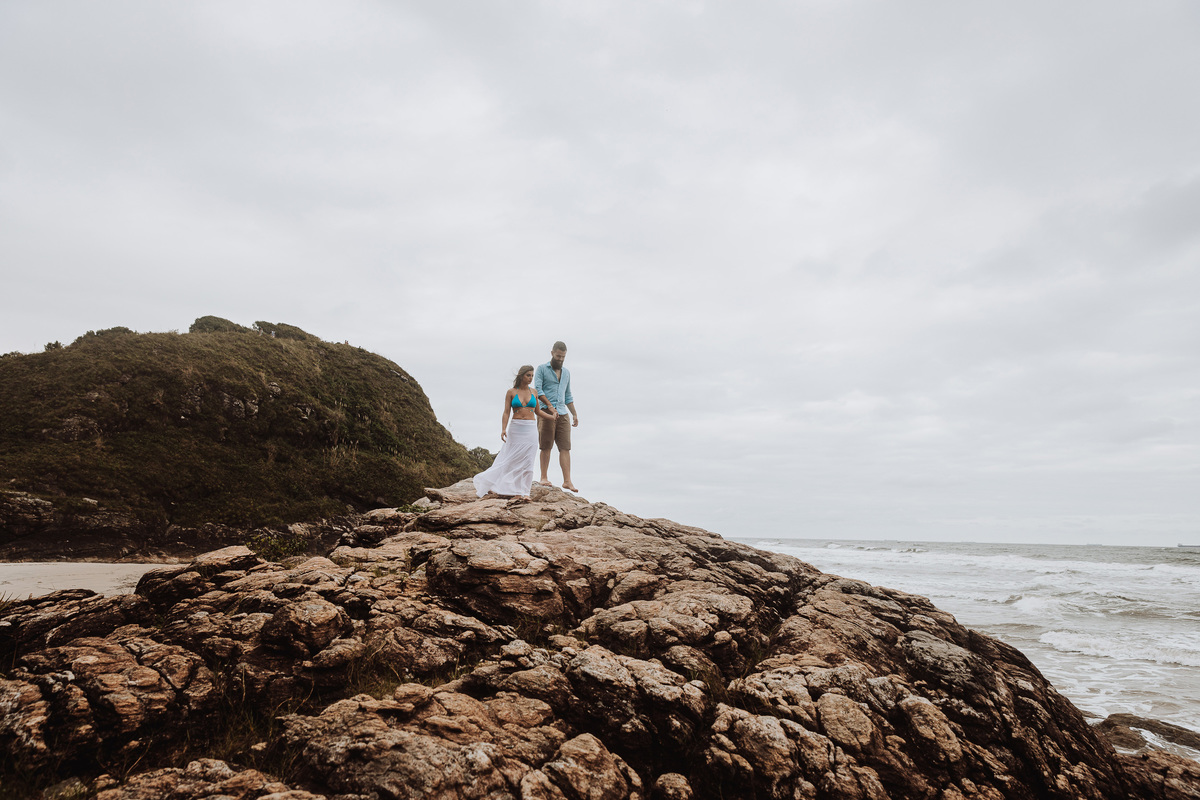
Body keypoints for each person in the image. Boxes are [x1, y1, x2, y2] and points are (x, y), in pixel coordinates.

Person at [473, 365, 554, 501]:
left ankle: (525, 492)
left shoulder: (534, 392)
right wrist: (503, 429)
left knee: (528, 461)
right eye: (528, 375)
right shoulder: (511, 392)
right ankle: (515, 491)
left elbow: (538, 411)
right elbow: (506, 412)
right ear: (521, 376)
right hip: (516, 428)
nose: (530, 378)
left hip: (530, 429)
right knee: (511, 459)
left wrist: (551, 417)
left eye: (532, 376)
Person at [534, 341, 579, 492]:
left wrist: (574, 414)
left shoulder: (566, 373)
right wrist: (551, 407)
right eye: (558, 356)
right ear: (552, 353)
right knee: (546, 445)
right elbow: (538, 391)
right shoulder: (541, 369)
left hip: (563, 413)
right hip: (546, 411)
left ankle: (567, 481)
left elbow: (568, 395)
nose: (560, 359)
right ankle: (543, 477)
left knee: (565, 447)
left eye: (563, 357)